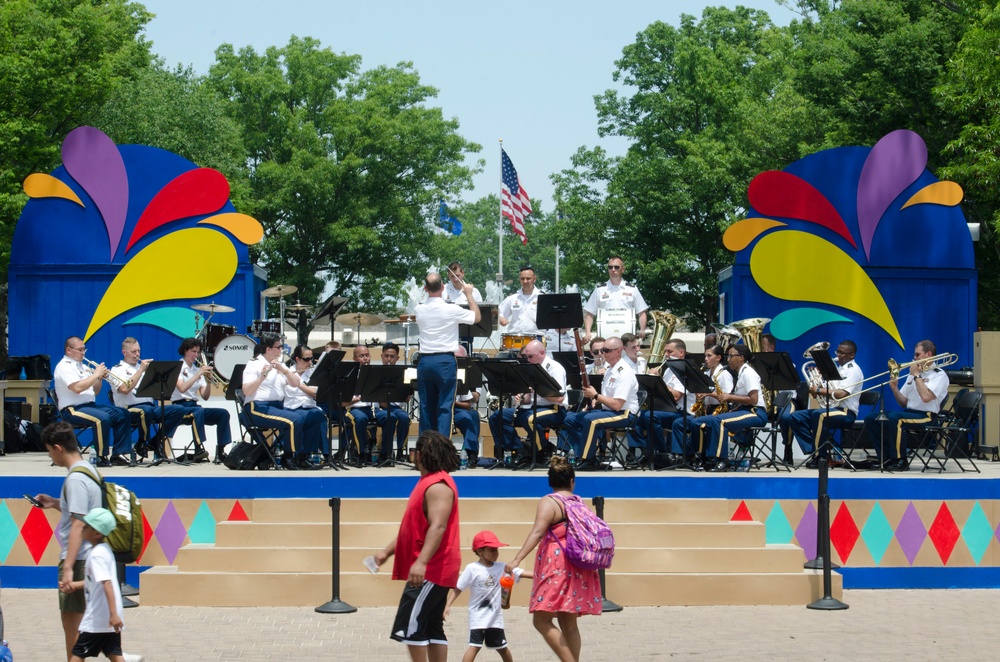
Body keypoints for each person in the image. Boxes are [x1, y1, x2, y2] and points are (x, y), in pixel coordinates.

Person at [374, 431, 461, 662]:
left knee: (411, 627)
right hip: (432, 568)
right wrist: (387, 552)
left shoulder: (438, 485)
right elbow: (413, 528)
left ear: (419, 455)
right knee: (432, 628)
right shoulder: (427, 483)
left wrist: (421, 562)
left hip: (433, 569)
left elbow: (438, 526)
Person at [505, 456, 602, 662]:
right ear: (572, 482)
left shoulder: (550, 501)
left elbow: (538, 531)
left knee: (541, 620)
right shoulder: (577, 502)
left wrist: (516, 559)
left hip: (557, 564)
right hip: (578, 563)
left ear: (550, 482)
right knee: (569, 622)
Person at [34, 421, 104, 661]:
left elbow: (78, 524)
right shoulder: (89, 469)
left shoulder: (75, 479)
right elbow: (82, 512)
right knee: (89, 623)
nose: (50, 456)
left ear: (58, 448)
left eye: (49, 451)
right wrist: (55, 502)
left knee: (72, 624)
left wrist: (67, 569)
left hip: (79, 558)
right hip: (90, 554)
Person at [862, 340, 949, 471]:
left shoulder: (939, 374)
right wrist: (894, 388)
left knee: (895, 418)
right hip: (910, 412)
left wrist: (916, 376)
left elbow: (926, 398)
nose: (914, 358)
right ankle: (885, 457)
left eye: (917, 354)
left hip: (927, 416)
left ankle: (900, 460)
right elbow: (903, 402)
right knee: (872, 418)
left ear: (929, 354)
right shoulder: (913, 374)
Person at [444, 530, 530, 662]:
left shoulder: (502, 567)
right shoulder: (472, 568)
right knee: (474, 647)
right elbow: (458, 588)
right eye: (491, 550)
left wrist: (544, 575)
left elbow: (521, 573)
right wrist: (447, 605)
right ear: (480, 551)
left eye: (496, 550)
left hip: (495, 618)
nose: (496, 553)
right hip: (478, 617)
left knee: (502, 648)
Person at [242, 333, 323, 470]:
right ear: (268, 349)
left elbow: (296, 383)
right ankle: (289, 457)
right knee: (294, 420)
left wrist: (285, 371)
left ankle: (304, 456)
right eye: (279, 347)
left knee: (315, 416)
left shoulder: (278, 366)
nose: (281, 350)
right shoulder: (254, 365)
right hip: (256, 407)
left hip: (277, 407)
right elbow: (246, 391)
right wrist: (261, 378)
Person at [416, 272, 480, 436]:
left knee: (425, 406)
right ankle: (442, 448)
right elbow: (477, 317)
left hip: (424, 360)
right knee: (445, 406)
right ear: (443, 288)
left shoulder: (419, 309)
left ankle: (426, 448)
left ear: (425, 289)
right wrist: (469, 294)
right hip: (444, 360)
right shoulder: (451, 309)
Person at [53, 336, 131, 467]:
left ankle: (118, 454)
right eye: (80, 350)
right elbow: (77, 388)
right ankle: (100, 456)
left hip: (89, 406)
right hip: (72, 409)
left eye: (84, 349)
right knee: (102, 418)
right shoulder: (63, 367)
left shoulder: (83, 366)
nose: (83, 353)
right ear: (69, 350)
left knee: (123, 413)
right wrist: (95, 374)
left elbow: (95, 391)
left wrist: (99, 378)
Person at [562, 336, 638, 470]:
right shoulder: (610, 369)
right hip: (610, 410)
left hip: (625, 413)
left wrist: (596, 395)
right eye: (602, 350)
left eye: (606, 350)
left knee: (592, 420)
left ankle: (588, 459)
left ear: (618, 351)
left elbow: (617, 405)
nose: (603, 354)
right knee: (570, 419)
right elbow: (607, 398)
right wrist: (594, 400)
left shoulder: (624, 372)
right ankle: (585, 452)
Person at [689, 344, 768, 472]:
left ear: (741, 357)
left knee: (718, 421)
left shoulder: (749, 373)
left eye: (731, 356)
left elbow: (754, 400)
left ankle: (722, 460)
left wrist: (730, 397)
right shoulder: (741, 373)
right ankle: (703, 458)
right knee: (697, 422)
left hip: (756, 413)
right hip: (744, 410)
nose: (728, 359)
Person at [487, 340, 566, 464]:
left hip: (554, 408)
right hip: (531, 408)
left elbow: (559, 398)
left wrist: (538, 390)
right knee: (498, 416)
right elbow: (529, 399)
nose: (528, 360)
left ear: (541, 352)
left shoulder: (555, 368)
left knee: (529, 418)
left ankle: (544, 450)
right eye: (525, 357)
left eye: (530, 356)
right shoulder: (531, 368)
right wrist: (522, 398)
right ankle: (519, 450)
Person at [110, 337, 188, 462]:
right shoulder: (117, 369)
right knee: (145, 411)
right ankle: (142, 442)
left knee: (178, 409)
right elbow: (124, 389)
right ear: (124, 352)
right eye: (133, 352)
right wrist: (141, 370)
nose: (137, 355)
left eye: (138, 351)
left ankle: (156, 441)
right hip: (129, 409)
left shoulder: (145, 369)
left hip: (150, 408)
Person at [785, 340, 863, 466]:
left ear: (851, 355)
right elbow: (819, 394)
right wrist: (817, 382)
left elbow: (841, 394)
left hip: (845, 413)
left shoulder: (853, 370)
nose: (838, 355)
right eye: (837, 351)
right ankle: (816, 451)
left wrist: (819, 389)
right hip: (831, 410)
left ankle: (820, 458)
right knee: (794, 417)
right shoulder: (838, 370)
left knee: (819, 415)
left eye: (842, 353)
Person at [67, 507, 126, 662]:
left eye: (86, 526)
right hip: (108, 616)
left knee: (78, 653)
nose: (83, 528)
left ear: (96, 533)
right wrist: (74, 585)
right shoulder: (104, 550)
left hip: (99, 616)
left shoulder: (96, 556)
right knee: (114, 653)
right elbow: (95, 581)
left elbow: (107, 584)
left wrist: (113, 614)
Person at [630, 338, 695, 461]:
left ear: (681, 352)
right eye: (666, 351)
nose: (666, 355)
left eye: (670, 352)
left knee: (650, 416)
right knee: (635, 415)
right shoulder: (669, 370)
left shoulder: (685, 370)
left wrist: (658, 380)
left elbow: (676, 396)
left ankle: (661, 452)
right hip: (669, 409)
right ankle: (644, 451)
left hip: (682, 412)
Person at [170, 338, 232, 463]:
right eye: (193, 351)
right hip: (180, 407)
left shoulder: (196, 369)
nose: (196, 355)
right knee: (197, 412)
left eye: (198, 352)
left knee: (223, 413)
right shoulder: (178, 367)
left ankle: (221, 450)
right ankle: (199, 448)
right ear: (185, 351)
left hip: (194, 405)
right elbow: (182, 388)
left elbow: (205, 396)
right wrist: (198, 374)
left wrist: (208, 380)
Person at [670, 344, 733, 465]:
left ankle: (700, 456)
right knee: (678, 423)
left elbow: (727, 397)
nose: (706, 359)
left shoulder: (724, 374)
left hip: (720, 411)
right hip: (707, 409)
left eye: (709, 356)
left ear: (718, 357)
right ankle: (682, 456)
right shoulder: (707, 373)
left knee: (697, 424)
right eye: (705, 356)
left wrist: (708, 394)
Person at [283, 345, 333, 465]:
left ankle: (305, 455)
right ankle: (293, 455)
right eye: (306, 359)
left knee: (318, 415)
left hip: (308, 407)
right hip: (290, 408)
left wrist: (297, 383)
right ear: (297, 359)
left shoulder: (313, 373)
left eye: (311, 358)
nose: (310, 362)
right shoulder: (286, 371)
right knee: (306, 418)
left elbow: (315, 394)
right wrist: (293, 378)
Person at [582, 256, 649, 343]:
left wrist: (642, 329)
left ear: (622, 269)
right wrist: (588, 332)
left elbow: (641, 312)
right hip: (605, 335)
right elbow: (590, 313)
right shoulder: (600, 289)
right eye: (610, 267)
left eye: (616, 267)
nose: (613, 270)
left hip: (627, 337)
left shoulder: (632, 289)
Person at [343, 345, 385, 465]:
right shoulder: (350, 375)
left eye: (367, 355)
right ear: (355, 359)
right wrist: (361, 397)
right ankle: (360, 454)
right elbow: (344, 401)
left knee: (390, 417)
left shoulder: (376, 373)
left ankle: (385, 454)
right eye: (362, 356)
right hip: (355, 408)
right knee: (360, 419)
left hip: (374, 408)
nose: (365, 358)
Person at [381, 342, 412, 462]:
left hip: (396, 407)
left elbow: (407, 397)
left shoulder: (403, 373)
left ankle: (400, 451)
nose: (389, 359)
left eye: (392, 357)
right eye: (386, 356)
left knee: (404, 417)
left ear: (397, 358)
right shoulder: (375, 371)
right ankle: (386, 452)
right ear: (382, 356)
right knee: (390, 417)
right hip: (380, 407)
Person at [453, 346, 481, 468]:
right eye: (456, 359)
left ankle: (471, 453)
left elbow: (473, 400)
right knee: (467, 417)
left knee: (473, 415)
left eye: (461, 359)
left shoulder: (472, 372)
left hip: (460, 407)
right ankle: (471, 452)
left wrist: (456, 402)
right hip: (446, 408)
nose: (459, 362)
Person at [498, 266, 543, 336]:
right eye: (522, 279)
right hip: (515, 338)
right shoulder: (512, 298)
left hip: (537, 337)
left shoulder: (542, 298)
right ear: (519, 280)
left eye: (528, 279)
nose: (525, 281)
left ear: (534, 279)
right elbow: (498, 312)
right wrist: (500, 318)